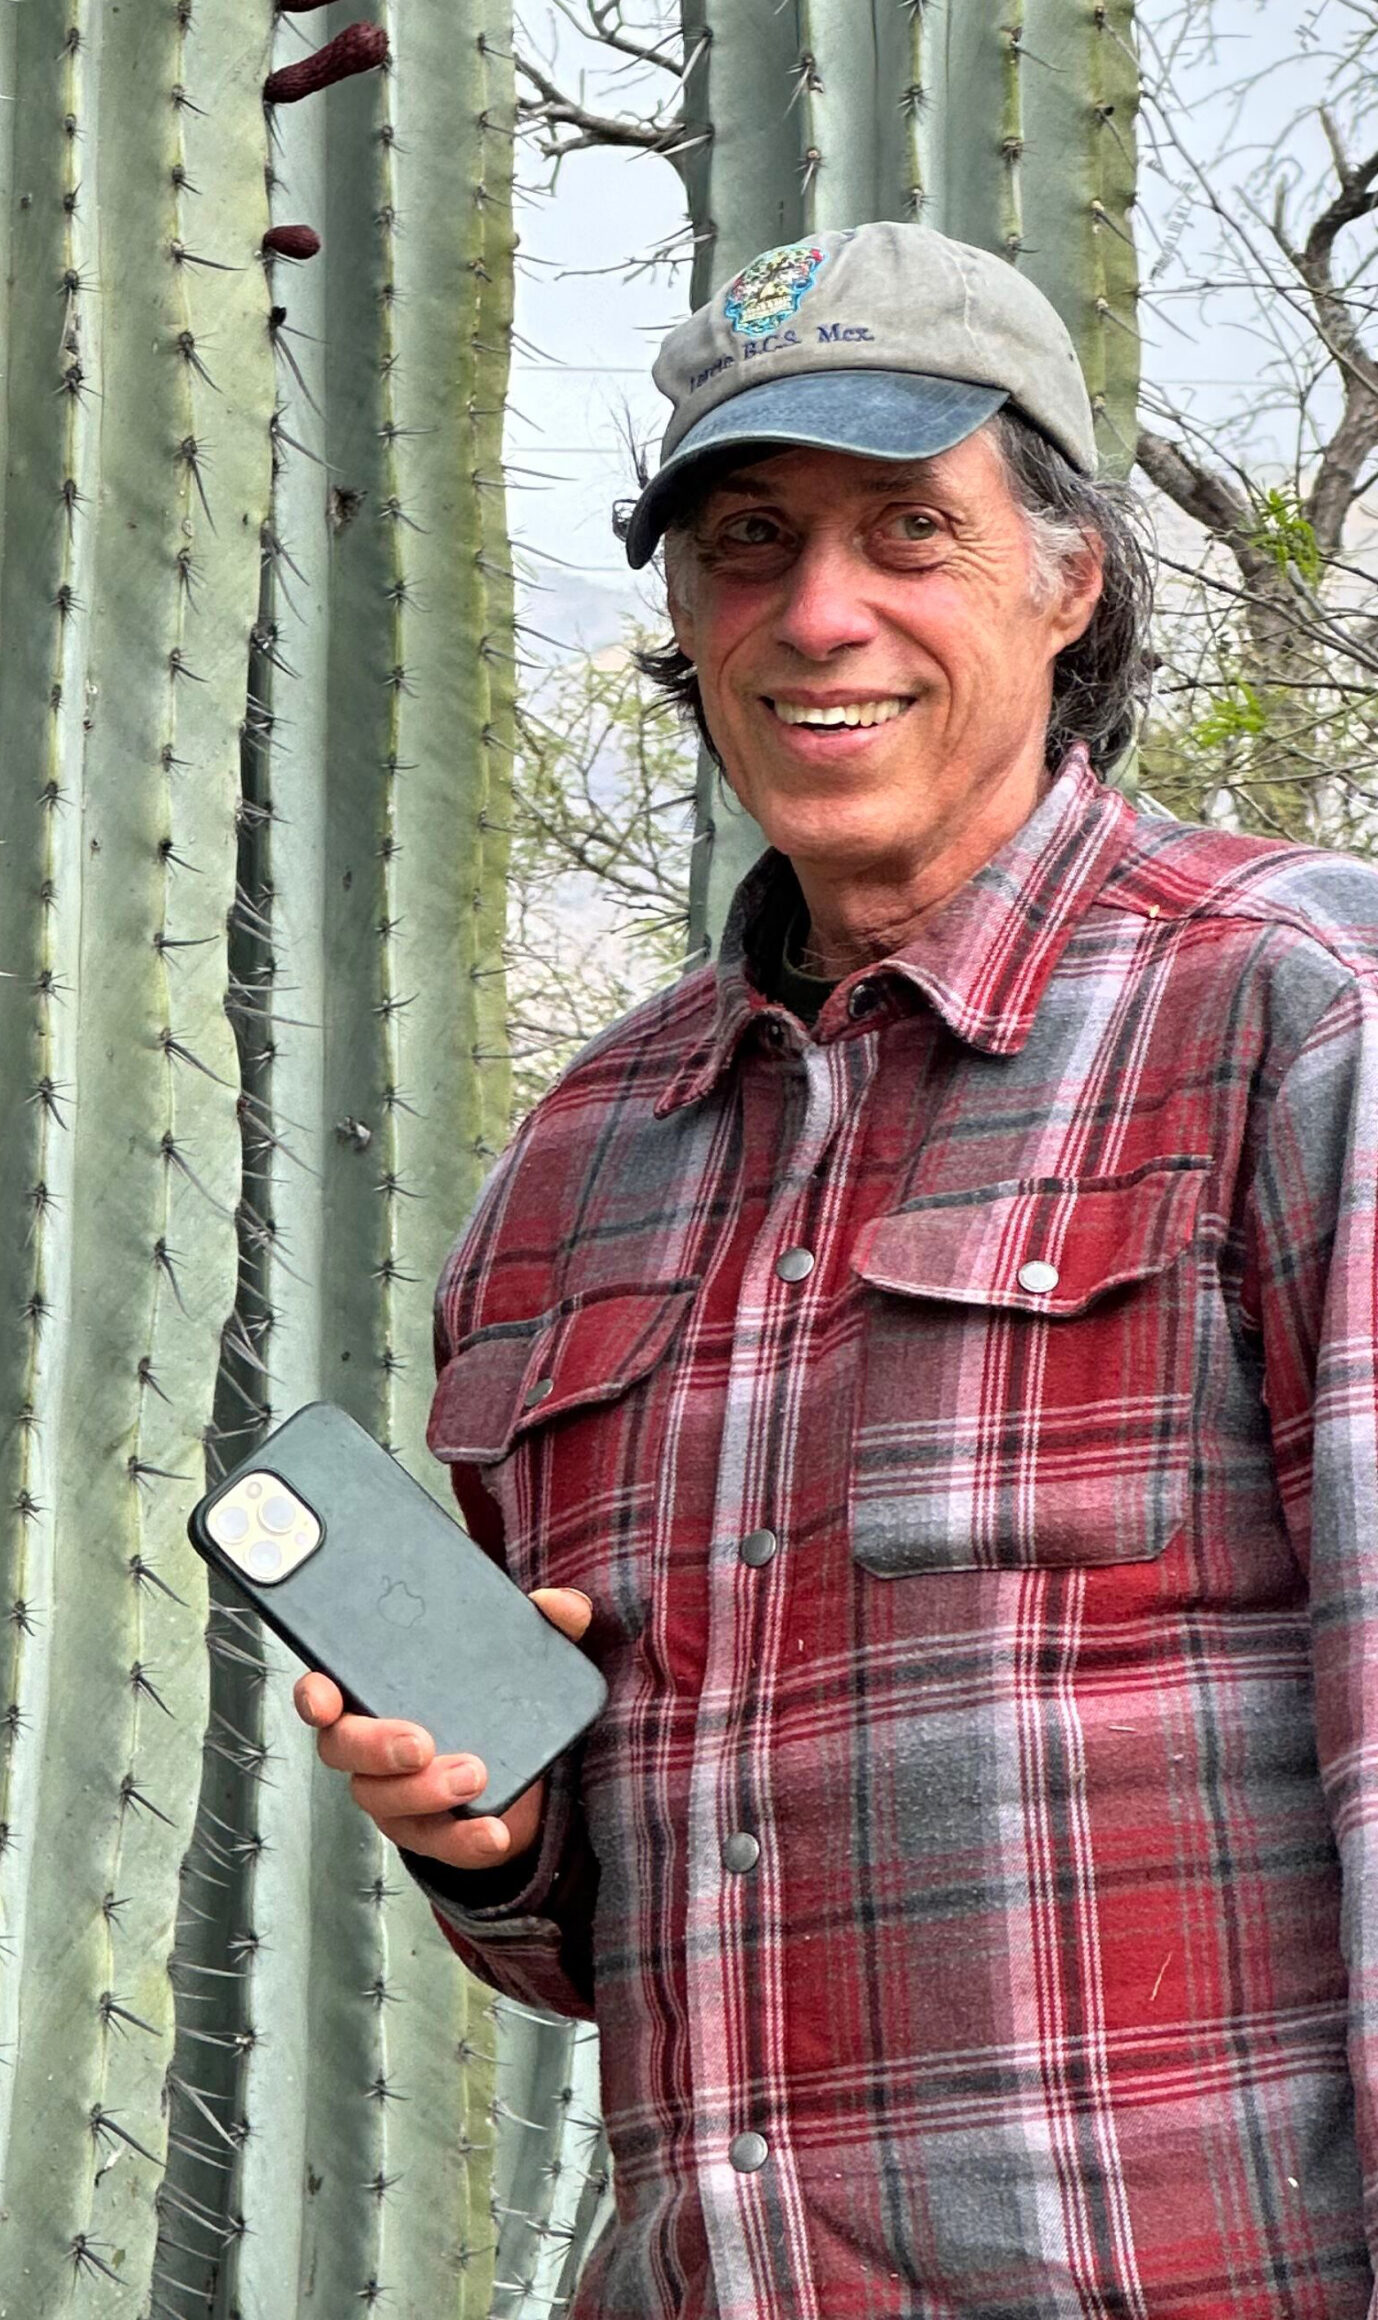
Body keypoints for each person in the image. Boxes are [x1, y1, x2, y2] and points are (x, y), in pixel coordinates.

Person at [292, 220, 1378, 2316]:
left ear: (1069, 580)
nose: (820, 613)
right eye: (749, 541)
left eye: (912, 530)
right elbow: (608, 1947)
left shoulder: (1297, 1008)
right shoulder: (577, 1168)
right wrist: (488, 1840)